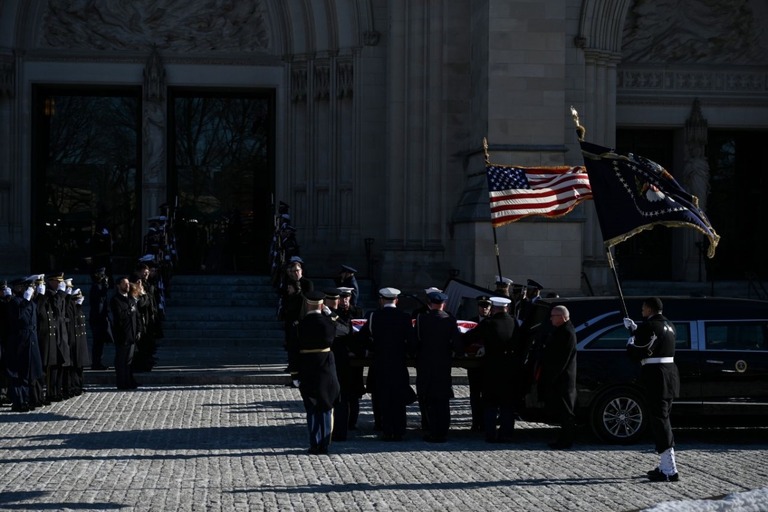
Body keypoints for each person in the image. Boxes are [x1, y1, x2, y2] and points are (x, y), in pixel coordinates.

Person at [624, 297, 680, 482]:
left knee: (660, 421)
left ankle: (670, 470)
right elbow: (654, 343)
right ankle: (666, 465)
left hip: (657, 376)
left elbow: (636, 352)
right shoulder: (669, 324)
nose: (642, 312)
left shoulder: (650, 326)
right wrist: (637, 329)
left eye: (643, 309)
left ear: (649, 308)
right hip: (669, 375)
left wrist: (631, 337)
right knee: (662, 419)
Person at [358, 287, 415, 441]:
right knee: (398, 398)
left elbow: (362, 339)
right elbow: (411, 341)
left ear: (381, 300)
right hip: (398, 363)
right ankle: (399, 430)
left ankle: (387, 429)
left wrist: (371, 348)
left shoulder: (374, 317)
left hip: (380, 362)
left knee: (384, 397)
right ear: (396, 300)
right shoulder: (404, 317)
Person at [295, 290, 341, 454]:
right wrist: (331, 315)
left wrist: (295, 374)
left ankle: (314, 443)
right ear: (322, 305)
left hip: (307, 367)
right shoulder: (328, 322)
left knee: (312, 406)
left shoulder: (300, 325)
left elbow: (293, 350)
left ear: (307, 305)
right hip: (325, 367)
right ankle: (325, 443)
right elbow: (339, 329)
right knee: (326, 405)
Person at [414, 291, 462, 442]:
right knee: (442, 400)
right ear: (444, 304)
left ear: (429, 304)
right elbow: (457, 345)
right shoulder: (450, 320)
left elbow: (415, 342)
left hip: (426, 364)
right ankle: (442, 430)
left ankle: (432, 430)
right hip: (443, 365)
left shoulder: (422, 319)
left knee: (428, 400)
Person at [470, 296, 520, 443]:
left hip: (491, 369)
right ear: (507, 308)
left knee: (490, 403)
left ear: (494, 308)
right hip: (510, 370)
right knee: (507, 404)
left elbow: (470, 337)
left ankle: (490, 434)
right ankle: (506, 434)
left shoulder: (489, 323)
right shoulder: (514, 323)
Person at [539, 305, 577, 449]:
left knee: (566, 411)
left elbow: (562, 359)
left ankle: (566, 440)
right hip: (561, 378)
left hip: (564, 378)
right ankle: (563, 438)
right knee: (563, 411)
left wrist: (551, 377)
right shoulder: (562, 330)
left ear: (561, 317)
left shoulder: (567, 332)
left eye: (553, 316)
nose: (550, 318)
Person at [336, 286, 365, 430]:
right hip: (341, 356)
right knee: (342, 391)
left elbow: (361, 334)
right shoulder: (334, 313)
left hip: (355, 358)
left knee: (354, 392)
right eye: (342, 297)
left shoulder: (357, 311)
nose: (344, 300)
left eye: (346, 297)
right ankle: (341, 420)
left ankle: (353, 421)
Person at [464, 295, 492, 432]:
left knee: (487, 395)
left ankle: (487, 422)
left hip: (487, 365)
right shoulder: (471, 322)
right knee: (474, 395)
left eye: (487, 306)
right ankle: (476, 422)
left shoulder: (493, 322)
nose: (484, 308)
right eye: (482, 306)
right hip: (473, 364)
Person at [110, 276, 141, 390]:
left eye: (128, 283)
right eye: (125, 284)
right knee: (121, 360)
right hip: (122, 335)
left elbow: (137, 316)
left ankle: (129, 381)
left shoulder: (131, 299)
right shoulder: (115, 300)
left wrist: (139, 330)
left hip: (132, 334)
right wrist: (129, 310)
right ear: (119, 285)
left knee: (130, 361)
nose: (128, 286)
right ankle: (122, 382)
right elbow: (119, 317)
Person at [89, 268, 113, 370]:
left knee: (100, 342)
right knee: (98, 342)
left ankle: (98, 361)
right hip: (97, 318)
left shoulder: (98, 287)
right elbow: (100, 298)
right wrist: (105, 286)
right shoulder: (96, 287)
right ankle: (96, 362)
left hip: (100, 317)